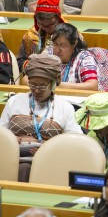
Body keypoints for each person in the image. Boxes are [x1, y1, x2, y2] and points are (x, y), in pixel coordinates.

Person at [0, 52, 83, 182]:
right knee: (23, 169)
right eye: (32, 85)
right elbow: (1, 134)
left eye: (42, 86)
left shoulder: (64, 107)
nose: (36, 90)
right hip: (13, 160)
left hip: (50, 162)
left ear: (54, 83)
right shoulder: (14, 101)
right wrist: (11, 139)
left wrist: (48, 148)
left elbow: (76, 143)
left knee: (26, 169)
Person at [17, 0, 64, 72]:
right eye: (42, 25)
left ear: (58, 18)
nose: (47, 29)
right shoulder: (31, 36)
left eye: (51, 25)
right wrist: (32, 65)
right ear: (36, 21)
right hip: (36, 76)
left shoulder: (70, 34)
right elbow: (19, 61)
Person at [52, 23, 98, 91]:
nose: (58, 50)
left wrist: (58, 85)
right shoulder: (49, 52)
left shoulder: (84, 58)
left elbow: (93, 86)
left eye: (63, 46)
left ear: (74, 44)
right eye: (55, 44)